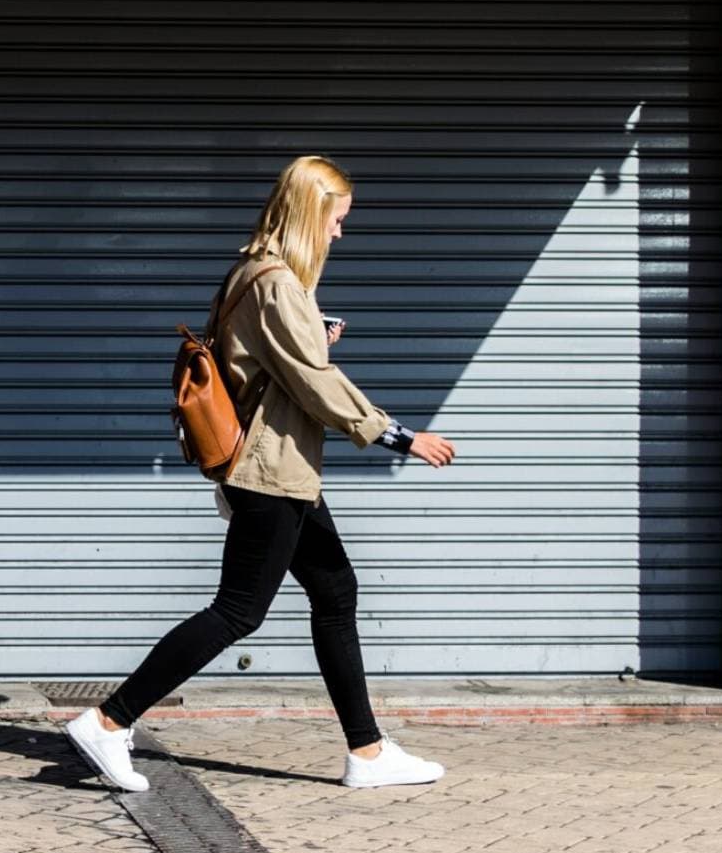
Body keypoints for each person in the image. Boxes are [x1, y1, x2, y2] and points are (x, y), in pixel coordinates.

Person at [66, 155, 458, 792]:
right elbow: (314, 385)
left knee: (335, 591)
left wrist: (313, 341)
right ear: (310, 214)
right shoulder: (277, 284)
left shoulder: (252, 273)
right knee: (237, 612)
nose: (340, 234)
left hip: (283, 470)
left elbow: (274, 364)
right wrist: (400, 436)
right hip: (269, 472)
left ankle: (367, 750)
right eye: (336, 220)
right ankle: (110, 723)